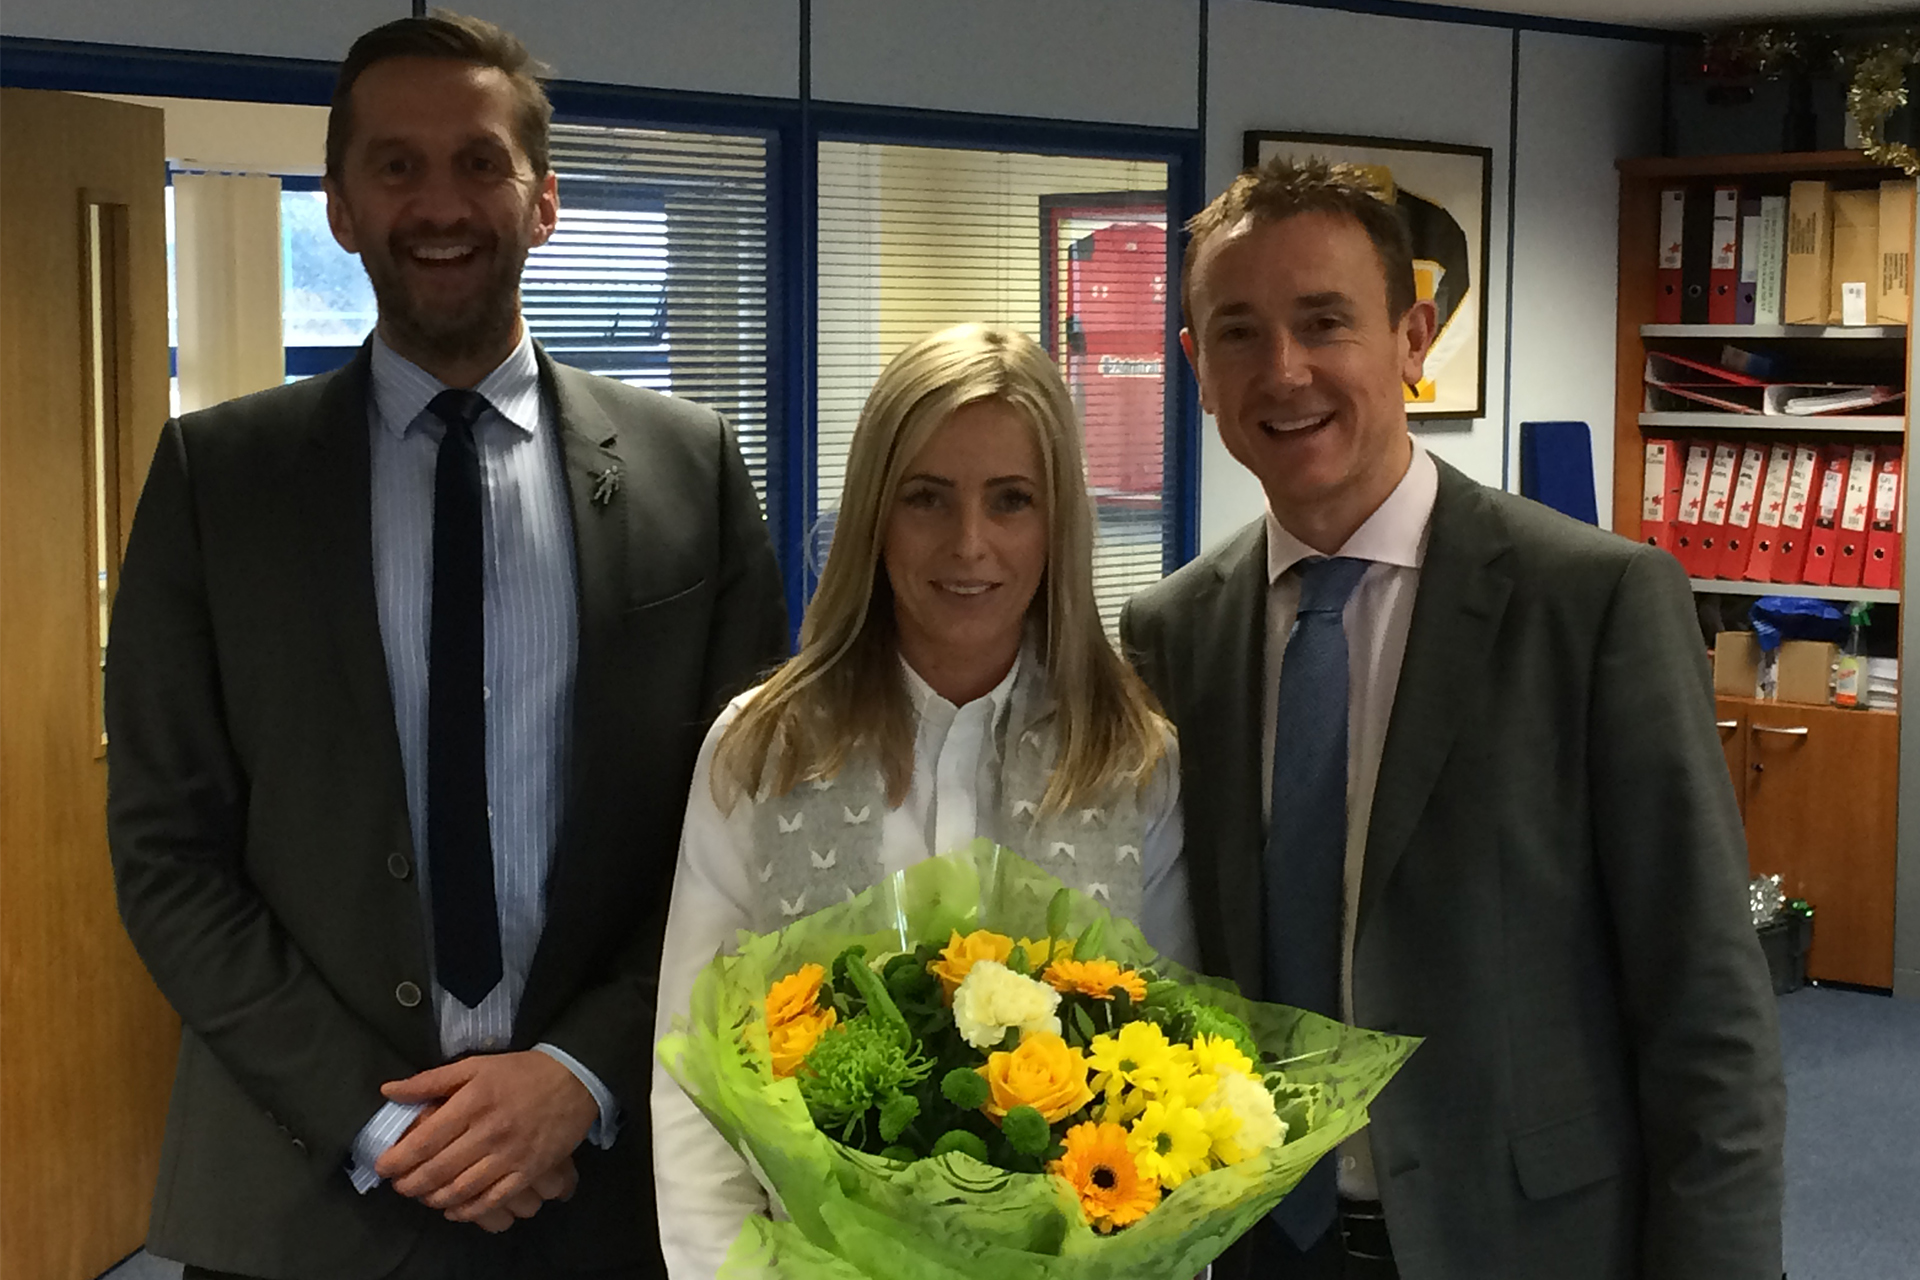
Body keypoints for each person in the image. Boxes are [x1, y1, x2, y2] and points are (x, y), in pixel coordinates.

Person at [105, 13, 786, 1279]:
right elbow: (165, 851)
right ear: (344, 205)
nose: (441, 202)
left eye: (480, 162)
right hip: (298, 1190)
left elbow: (747, 840)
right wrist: (374, 1113)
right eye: (397, 165)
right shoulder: (219, 479)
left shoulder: (691, 470)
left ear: (544, 202)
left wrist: (581, 1068)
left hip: (605, 1189)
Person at [1121, 158, 1785, 1280]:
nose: (1284, 371)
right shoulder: (1174, 632)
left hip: (1525, 1242)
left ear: (1413, 338)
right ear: (1196, 367)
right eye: (1238, 332)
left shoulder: (1592, 602)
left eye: (1325, 321)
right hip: (1259, 1245)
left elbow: (1707, 1003)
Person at [649, 322, 1200, 1277]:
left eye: (1012, 500)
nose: (969, 544)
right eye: (926, 499)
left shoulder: (1130, 757)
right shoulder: (764, 749)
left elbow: (1176, 1080)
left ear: (1058, 521)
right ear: (874, 516)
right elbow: (692, 1075)